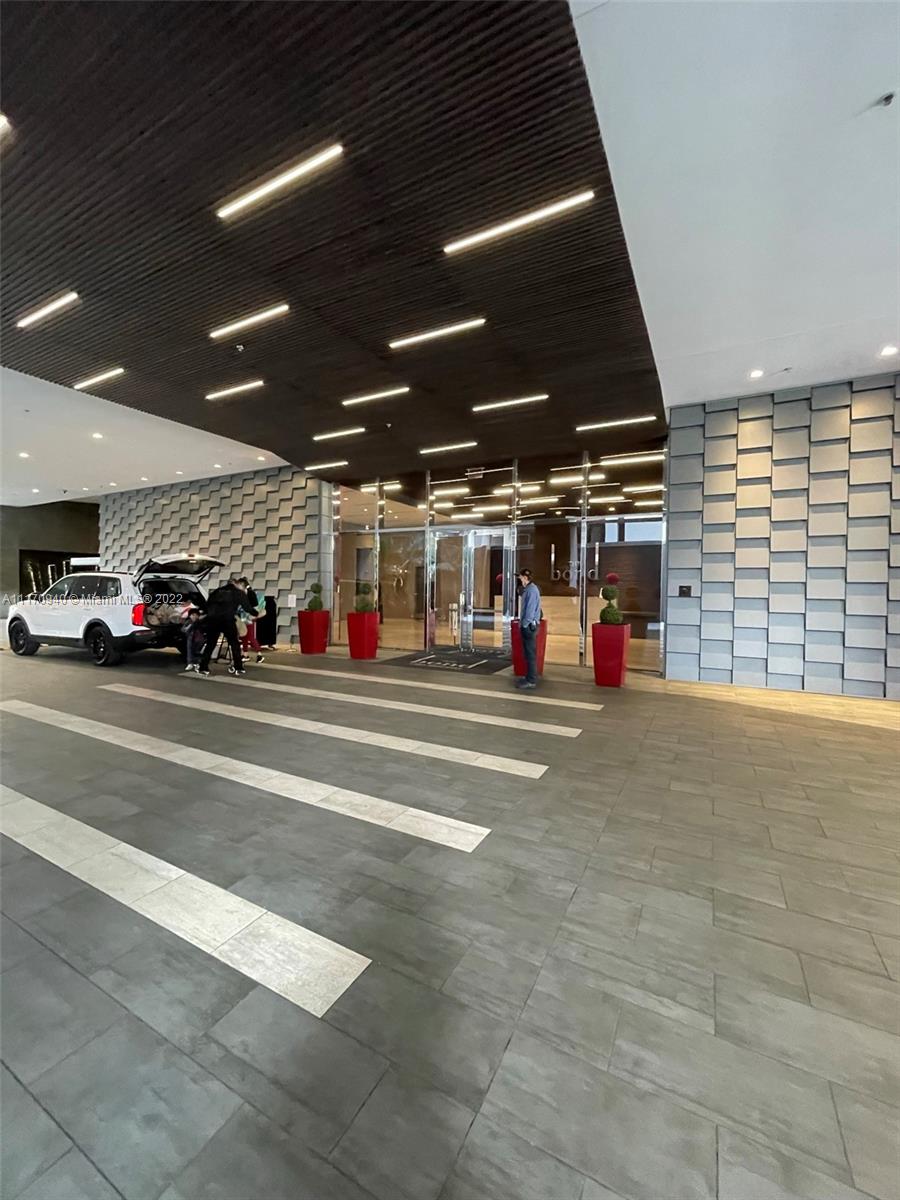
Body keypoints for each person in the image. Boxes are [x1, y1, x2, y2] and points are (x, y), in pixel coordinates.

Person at [196, 575, 250, 676]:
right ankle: (238, 667)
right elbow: (247, 608)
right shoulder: (238, 593)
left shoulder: (216, 591)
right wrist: (256, 613)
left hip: (213, 620)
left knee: (211, 644)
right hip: (228, 621)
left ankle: (203, 667)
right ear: (235, 584)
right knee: (234, 644)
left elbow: (207, 606)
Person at [516, 567, 542, 690]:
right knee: (528, 653)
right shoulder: (530, 589)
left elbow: (530, 610)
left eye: (521, 577)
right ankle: (529, 677)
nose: (520, 579)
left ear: (525, 578)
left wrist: (525, 624)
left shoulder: (531, 590)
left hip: (529, 626)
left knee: (530, 654)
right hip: (529, 625)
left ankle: (531, 681)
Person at [237, 576, 265, 664]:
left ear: (243, 584)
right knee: (244, 636)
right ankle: (245, 655)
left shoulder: (250, 593)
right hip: (244, 617)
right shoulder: (245, 593)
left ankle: (259, 654)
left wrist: (253, 615)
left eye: (239, 585)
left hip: (249, 617)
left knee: (250, 636)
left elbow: (254, 606)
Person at [181, 605, 206, 673]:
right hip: (190, 638)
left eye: (195, 615)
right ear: (189, 616)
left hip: (199, 639)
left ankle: (197, 663)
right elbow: (183, 629)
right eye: (192, 615)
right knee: (189, 651)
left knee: (197, 651)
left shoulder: (200, 622)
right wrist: (188, 627)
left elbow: (203, 629)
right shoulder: (188, 622)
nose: (194, 616)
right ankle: (190, 663)